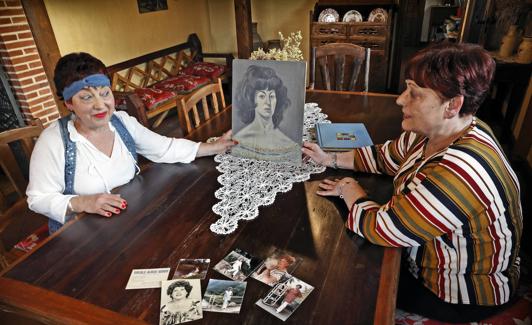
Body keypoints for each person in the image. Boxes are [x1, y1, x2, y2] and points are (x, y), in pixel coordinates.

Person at [302, 42, 522, 323]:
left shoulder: (458, 172)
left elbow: (383, 229)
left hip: (464, 294)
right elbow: (386, 156)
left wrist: (349, 189)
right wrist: (330, 159)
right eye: (406, 88)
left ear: (453, 105)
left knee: (341, 283)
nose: (400, 99)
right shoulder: (444, 130)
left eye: (414, 94)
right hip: (435, 258)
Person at [26, 52, 236, 233]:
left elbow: (164, 148)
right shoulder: (54, 141)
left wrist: (213, 147)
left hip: (130, 222)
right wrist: (82, 202)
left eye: (105, 93)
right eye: (86, 98)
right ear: (69, 103)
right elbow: (37, 198)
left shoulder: (121, 122)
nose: (101, 106)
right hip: (83, 238)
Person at [232, 65, 299, 161]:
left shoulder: (289, 145)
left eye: (271, 96)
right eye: (262, 96)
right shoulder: (239, 139)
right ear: (252, 99)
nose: (268, 102)